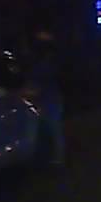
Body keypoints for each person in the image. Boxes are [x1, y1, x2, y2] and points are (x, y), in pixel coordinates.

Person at [25, 23, 65, 165]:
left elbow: (42, 81)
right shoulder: (42, 62)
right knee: (48, 129)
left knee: (52, 129)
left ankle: (56, 157)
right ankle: (51, 156)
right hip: (44, 100)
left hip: (48, 100)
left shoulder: (46, 63)